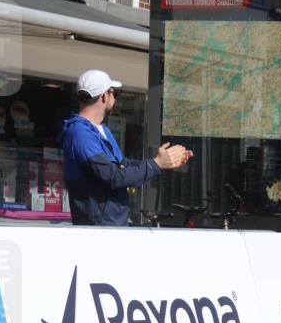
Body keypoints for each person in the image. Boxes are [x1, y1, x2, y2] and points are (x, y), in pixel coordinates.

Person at [59, 69, 192, 226]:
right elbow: (112, 176)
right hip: (99, 228)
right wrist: (156, 164)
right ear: (103, 96)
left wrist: (161, 162)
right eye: (114, 93)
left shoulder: (100, 129)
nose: (115, 97)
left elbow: (122, 164)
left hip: (113, 223)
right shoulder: (79, 133)